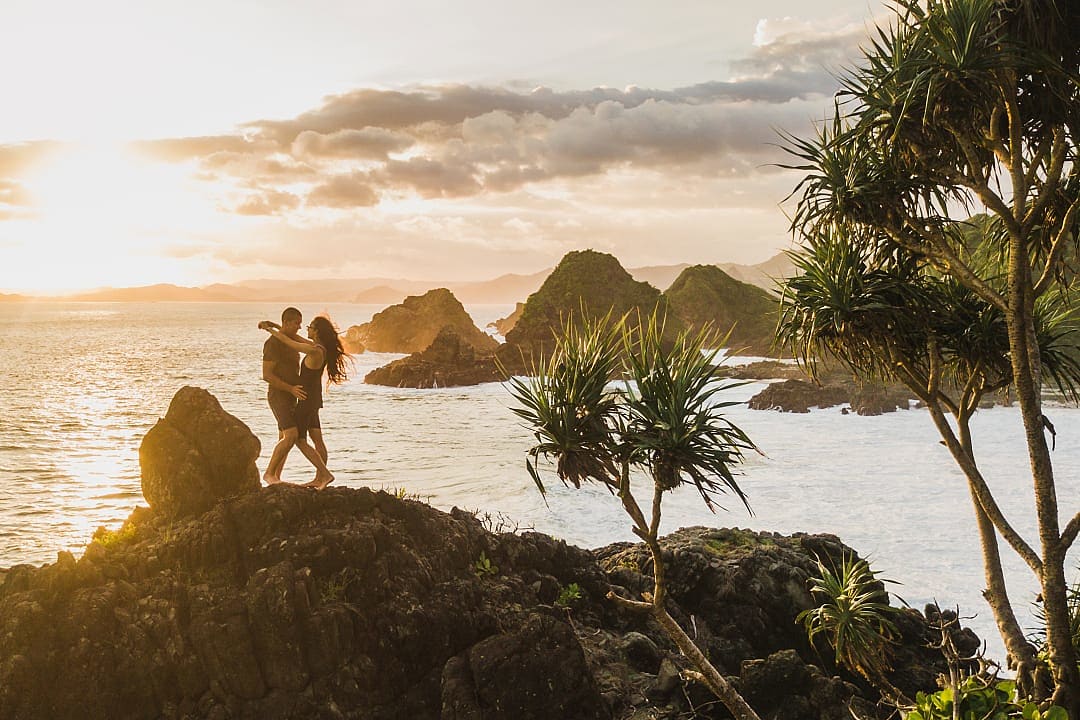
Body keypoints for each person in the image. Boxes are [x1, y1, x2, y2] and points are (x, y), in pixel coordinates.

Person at [259, 314, 351, 489]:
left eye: (308, 326)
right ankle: (319, 478)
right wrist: (277, 326)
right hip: (314, 399)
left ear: (315, 332)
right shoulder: (319, 347)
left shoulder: (314, 350)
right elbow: (293, 337)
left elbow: (290, 342)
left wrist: (269, 329)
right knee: (317, 438)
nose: (305, 328)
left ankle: (323, 475)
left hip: (306, 400)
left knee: (298, 439)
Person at [261, 307, 306, 484]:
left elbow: (309, 344)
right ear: (286, 322)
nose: (299, 327)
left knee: (284, 437)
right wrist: (290, 389)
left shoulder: (289, 340)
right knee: (291, 435)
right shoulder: (273, 344)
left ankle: (276, 478)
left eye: (300, 323)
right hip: (278, 395)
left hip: (290, 396)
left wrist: (271, 325)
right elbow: (267, 375)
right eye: (296, 323)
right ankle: (269, 474)